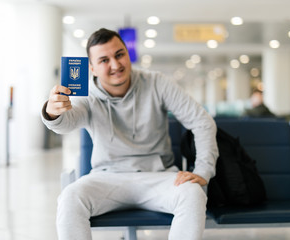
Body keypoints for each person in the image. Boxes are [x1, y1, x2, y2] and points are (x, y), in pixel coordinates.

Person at [41, 28, 219, 240]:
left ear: (128, 53)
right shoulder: (86, 94)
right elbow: (66, 122)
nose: (115, 65)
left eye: (119, 55)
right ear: (92, 68)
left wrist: (203, 171)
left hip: (158, 176)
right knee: (70, 197)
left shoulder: (156, 83)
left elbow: (201, 121)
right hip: (107, 178)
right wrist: (52, 112)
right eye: (104, 60)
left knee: (192, 194)